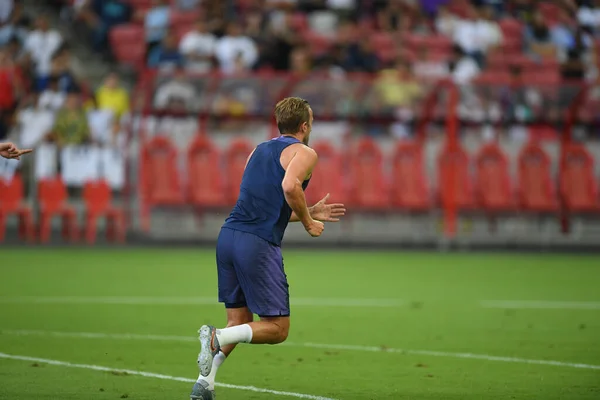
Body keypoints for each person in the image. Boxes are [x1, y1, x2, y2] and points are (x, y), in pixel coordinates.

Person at [190, 97, 346, 400]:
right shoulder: (305, 152)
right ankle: (217, 337)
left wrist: (309, 212)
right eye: (311, 122)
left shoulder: (257, 150)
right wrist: (310, 224)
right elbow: (290, 187)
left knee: (239, 322)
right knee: (277, 329)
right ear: (304, 126)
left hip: (229, 237)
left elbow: (262, 205)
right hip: (256, 244)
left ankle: (203, 385)